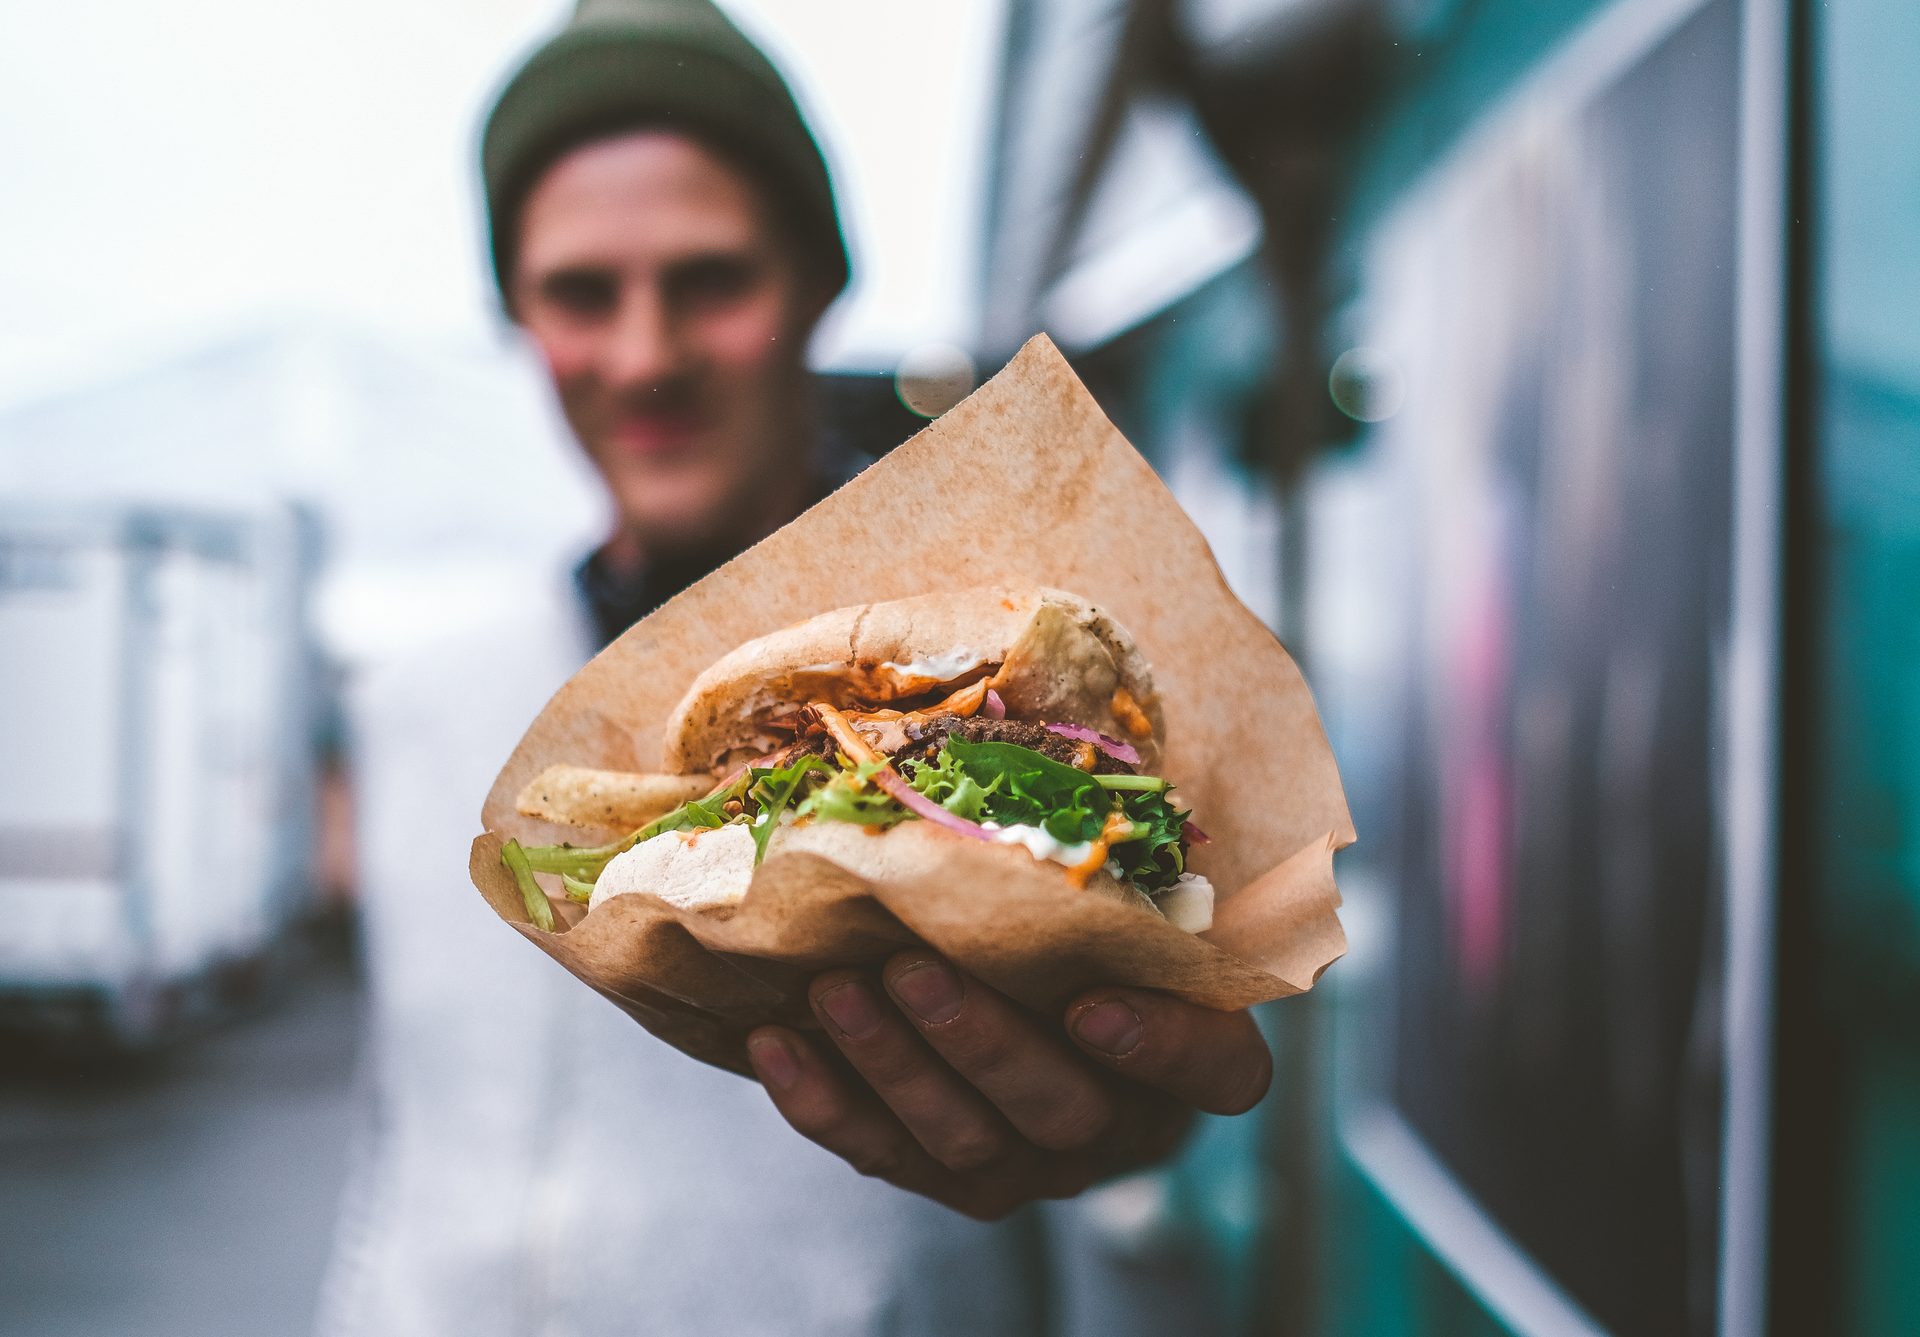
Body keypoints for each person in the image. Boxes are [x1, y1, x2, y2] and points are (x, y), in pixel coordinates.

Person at [318, 1, 1272, 1332]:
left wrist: (1128, 1123)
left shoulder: (1007, 671)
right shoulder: (421, 701)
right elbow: (406, 1121)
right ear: (516, 312)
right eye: (580, 294)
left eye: (712, 279)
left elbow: (1153, 1073)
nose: (644, 356)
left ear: (822, 283)